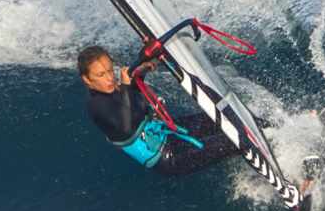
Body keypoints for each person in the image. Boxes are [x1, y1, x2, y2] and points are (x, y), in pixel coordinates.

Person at [78, 45, 240, 175]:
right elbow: (126, 126)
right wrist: (126, 85)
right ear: (87, 79)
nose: (109, 78)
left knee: (221, 118)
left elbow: (133, 99)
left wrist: (141, 72)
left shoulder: (112, 89)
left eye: (110, 70)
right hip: (170, 157)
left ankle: (260, 124)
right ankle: (261, 138)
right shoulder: (96, 105)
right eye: (101, 75)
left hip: (170, 133)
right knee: (232, 141)